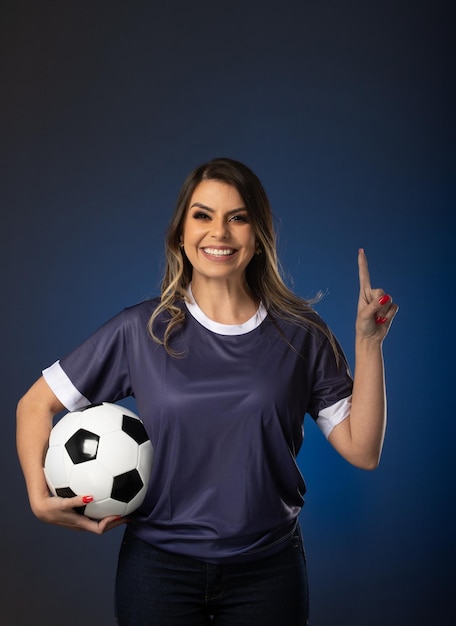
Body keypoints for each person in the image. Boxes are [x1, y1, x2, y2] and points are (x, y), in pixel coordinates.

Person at [16, 157, 398, 625]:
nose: (219, 232)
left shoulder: (301, 334)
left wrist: (368, 342)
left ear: (257, 238)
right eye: (203, 215)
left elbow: (363, 450)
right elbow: (35, 404)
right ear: (180, 233)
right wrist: (39, 495)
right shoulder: (143, 329)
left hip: (268, 569)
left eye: (237, 217)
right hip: (157, 570)